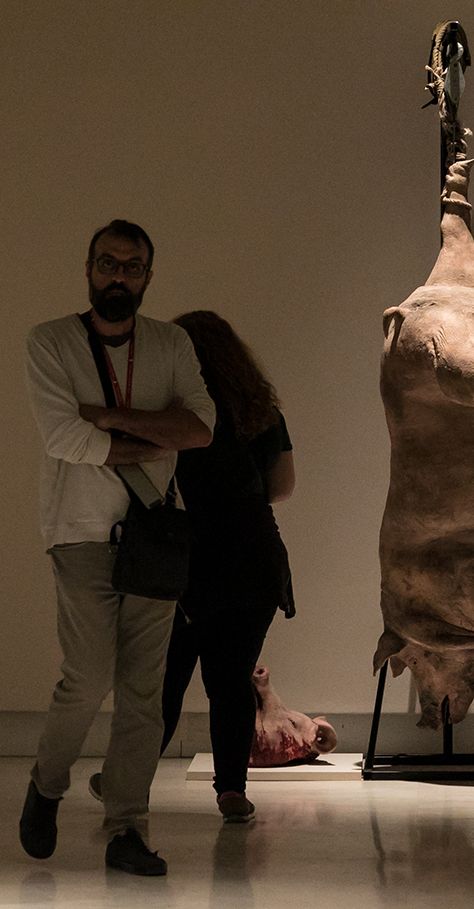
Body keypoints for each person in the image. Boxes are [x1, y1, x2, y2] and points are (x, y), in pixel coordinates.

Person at [21, 220, 215, 875]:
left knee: (143, 691)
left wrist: (109, 418)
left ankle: (127, 827)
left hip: (153, 534)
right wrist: (153, 437)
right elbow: (62, 438)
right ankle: (47, 784)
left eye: (132, 267)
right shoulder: (50, 341)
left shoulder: (171, 343)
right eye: (108, 263)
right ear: (88, 269)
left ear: (147, 277)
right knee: (87, 678)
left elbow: (200, 428)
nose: (118, 277)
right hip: (78, 532)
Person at [156, 310, 297, 823]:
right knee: (231, 681)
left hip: (187, 558)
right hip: (253, 556)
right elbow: (282, 487)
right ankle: (232, 790)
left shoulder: (172, 414)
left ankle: (130, 777)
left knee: (163, 681)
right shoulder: (261, 412)